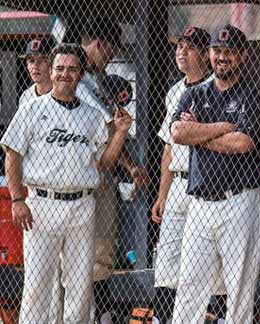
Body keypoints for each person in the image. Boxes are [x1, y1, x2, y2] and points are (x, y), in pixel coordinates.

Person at [0, 43, 132, 324]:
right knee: (38, 285)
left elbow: (103, 163)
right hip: (41, 205)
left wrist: (120, 134)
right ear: (52, 69)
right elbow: (12, 155)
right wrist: (17, 199)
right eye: (60, 68)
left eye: (72, 69)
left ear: (80, 73)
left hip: (82, 205)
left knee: (80, 286)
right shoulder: (32, 109)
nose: (64, 74)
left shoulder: (92, 116)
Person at [169, 24, 260, 324]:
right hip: (199, 202)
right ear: (209, 54)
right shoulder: (195, 92)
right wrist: (222, 128)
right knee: (189, 285)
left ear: (243, 56)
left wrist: (199, 134)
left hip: (239, 199)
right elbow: (178, 132)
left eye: (230, 52)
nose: (222, 57)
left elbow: (244, 142)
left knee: (239, 288)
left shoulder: (253, 94)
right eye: (217, 51)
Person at [150, 26, 225, 323]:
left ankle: (216, 317)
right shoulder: (174, 91)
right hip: (178, 183)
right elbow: (169, 148)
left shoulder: (216, 87)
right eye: (179, 45)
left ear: (205, 55)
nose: (182, 51)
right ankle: (164, 319)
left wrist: (195, 132)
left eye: (190, 47)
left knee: (212, 262)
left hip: (205, 182)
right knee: (167, 260)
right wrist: (161, 194)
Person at [78, 18, 150, 323]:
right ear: (98, 43)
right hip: (81, 173)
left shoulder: (97, 77)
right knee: (90, 251)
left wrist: (130, 165)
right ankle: (94, 314)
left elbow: (110, 132)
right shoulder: (78, 77)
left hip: (99, 169)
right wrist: (131, 164)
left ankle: (100, 313)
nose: (111, 57)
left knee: (101, 250)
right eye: (110, 50)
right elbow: (108, 128)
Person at [18, 37, 57, 108]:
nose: (35, 66)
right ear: (27, 65)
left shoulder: (62, 93)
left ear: (51, 64)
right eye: (31, 61)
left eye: (41, 60)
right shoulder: (26, 96)